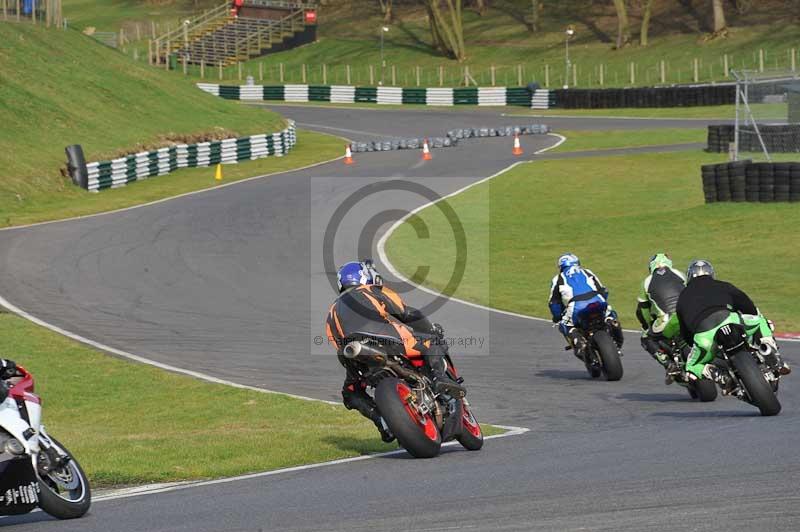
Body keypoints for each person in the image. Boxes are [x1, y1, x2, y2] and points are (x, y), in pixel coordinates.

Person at [325, 260, 465, 442]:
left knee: (351, 393)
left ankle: (381, 421)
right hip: (385, 340)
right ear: (364, 276)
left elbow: (336, 343)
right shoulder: (370, 291)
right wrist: (430, 330)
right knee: (431, 341)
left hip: (353, 357)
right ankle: (440, 379)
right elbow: (407, 314)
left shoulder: (331, 313)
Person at [676, 259, 790, 392]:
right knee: (760, 321)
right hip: (730, 319)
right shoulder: (723, 285)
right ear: (711, 273)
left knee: (691, 366)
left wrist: (695, 342)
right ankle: (772, 353)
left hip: (705, 335)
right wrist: (750, 315)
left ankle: (719, 375)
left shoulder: (682, 297)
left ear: (689, 277)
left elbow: (685, 331)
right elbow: (747, 304)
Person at [548, 253, 624, 359]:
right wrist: (603, 301)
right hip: (597, 300)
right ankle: (612, 322)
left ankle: (578, 339)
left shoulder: (557, 279)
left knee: (564, 325)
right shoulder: (587, 272)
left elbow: (554, 303)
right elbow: (603, 290)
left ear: (561, 267)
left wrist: (557, 317)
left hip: (576, 306)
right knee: (610, 313)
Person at [635, 253, 687, 381]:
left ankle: (668, 363)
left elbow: (644, 310)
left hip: (666, 320)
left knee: (646, 337)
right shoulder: (680, 274)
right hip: (686, 315)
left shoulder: (646, 282)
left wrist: (648, 325)